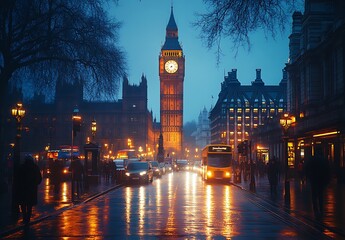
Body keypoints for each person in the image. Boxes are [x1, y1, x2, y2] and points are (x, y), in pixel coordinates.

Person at [304, 146, 330, 217]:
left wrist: (308, 177)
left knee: (314, 195)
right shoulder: (324, 160)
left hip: (314, 179)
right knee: (321, 195)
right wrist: (327, 180)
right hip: (321, 180)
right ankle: (321, 210)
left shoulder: (312, 159)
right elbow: (328, 170)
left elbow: (306, 168)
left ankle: (316, 210)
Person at [18, 155, 42, 224]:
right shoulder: (35, 167)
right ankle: (27, 218)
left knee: (23, 203)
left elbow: (18, 178)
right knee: (29, 205)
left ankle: (24, 217)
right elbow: (39, 178)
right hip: (32, 189)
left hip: (23, 188)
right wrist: (35, 183)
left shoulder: (21, 167)